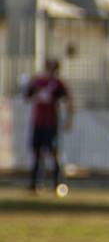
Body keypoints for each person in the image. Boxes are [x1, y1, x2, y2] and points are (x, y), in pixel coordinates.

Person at [24, 59, 73, 194]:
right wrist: (30, 83)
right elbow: (27, 95)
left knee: (54, 153)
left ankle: (58, 183)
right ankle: (35, 184)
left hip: (51, 124)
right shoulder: (38, 82)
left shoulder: (58, 83)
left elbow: (68, 99)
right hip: (38, 123)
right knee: (36, 154)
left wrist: (69, 119)